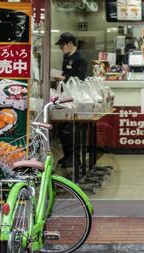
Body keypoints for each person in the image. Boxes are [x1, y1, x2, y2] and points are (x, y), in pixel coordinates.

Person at [54, 32, 87, 168]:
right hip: (64, 96)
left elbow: (80, 79)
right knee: (63, 127)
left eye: (62, 46)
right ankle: (67, 155)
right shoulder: (66, 57)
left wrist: (64, 78)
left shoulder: (80, 59)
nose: (61, 49)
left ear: (69, 44)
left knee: (72, 129)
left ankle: (74, 157)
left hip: (74, 98)